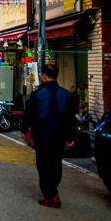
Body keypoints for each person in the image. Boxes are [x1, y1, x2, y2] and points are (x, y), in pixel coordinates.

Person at [20, 64, 76, 208]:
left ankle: (51, 195)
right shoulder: (66, 94)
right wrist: (70, 136)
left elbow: (29, 114)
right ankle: (53, 193)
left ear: (44, 76)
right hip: (59, 136)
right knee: (56, 164)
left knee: (43, 165)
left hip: (42, 136)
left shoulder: (37, 94)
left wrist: (24, 130)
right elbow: (71, 117)